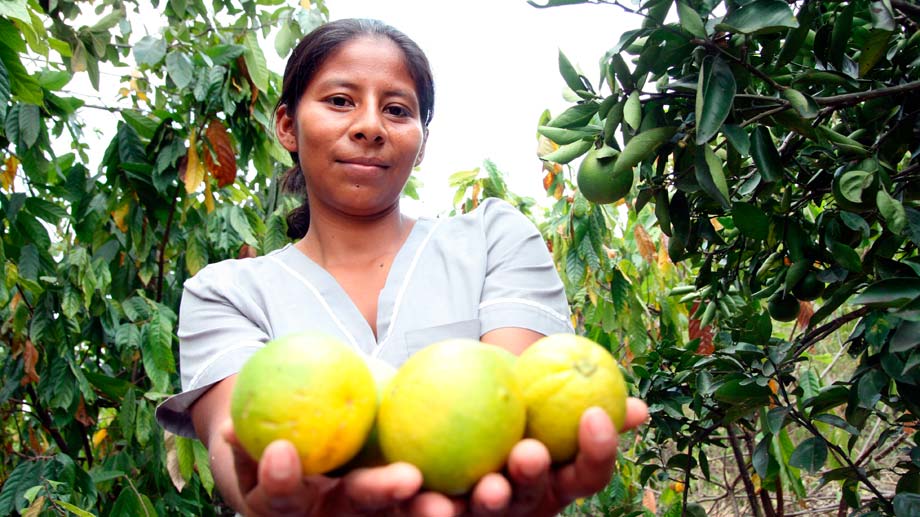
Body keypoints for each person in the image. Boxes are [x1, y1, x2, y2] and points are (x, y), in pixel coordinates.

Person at [155, 18, 648, 517]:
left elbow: (512, 411)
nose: (369, 126)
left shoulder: (492, 240)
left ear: (422, 143)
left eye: (396, 109)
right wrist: (271, 490)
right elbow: (236, 445)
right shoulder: (225, 292)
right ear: (287, 126)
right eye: (340, 101)